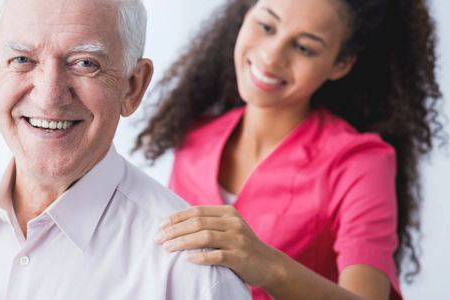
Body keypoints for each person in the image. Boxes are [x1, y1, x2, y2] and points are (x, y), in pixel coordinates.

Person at [0, 0, 252, 299]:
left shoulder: (191, 270)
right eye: (22, 59)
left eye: (84, 63)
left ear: (133, 87)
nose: (50, 95)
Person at [136, 0, 444, 299]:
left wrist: (269, 266)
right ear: (246, 13)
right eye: (267, 26)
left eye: (304, 48)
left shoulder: (359, 162)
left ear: (340, 63)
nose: (271, 57)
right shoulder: (194, 137)